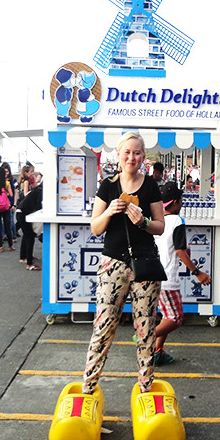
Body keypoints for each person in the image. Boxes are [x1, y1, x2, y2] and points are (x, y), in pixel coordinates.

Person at [81, 131, 165, 397]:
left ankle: (146, 389)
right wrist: (109, 211)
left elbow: (160, 227)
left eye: (137, 152)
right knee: (104, 326)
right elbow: (95, 228)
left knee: (146, 329)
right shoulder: (108, 185)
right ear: (118, 155)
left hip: (145, 265)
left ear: (143, 156)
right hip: (112, 264)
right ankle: (88, 388)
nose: (132, 157)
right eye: (127, 152)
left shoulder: (150, 185)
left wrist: (144, 223)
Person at [153, 181, 211, 365]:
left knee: (166, 316)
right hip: (168, 278)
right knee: (176, 318)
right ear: (176, 202)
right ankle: (145, 336)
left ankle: (157, 352)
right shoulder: (177, 221)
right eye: (181, 200)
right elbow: (179, 251)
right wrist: (197, 272)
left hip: (154, 275)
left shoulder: (156, 220)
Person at [18, 182, 43, 270]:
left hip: (20, 212)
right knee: (30, 237)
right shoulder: (40, 192)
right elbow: (39, 206)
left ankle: (23, 257)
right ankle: (29, 264)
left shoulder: (36, 190)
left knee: (26, 236)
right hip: (25, 214)